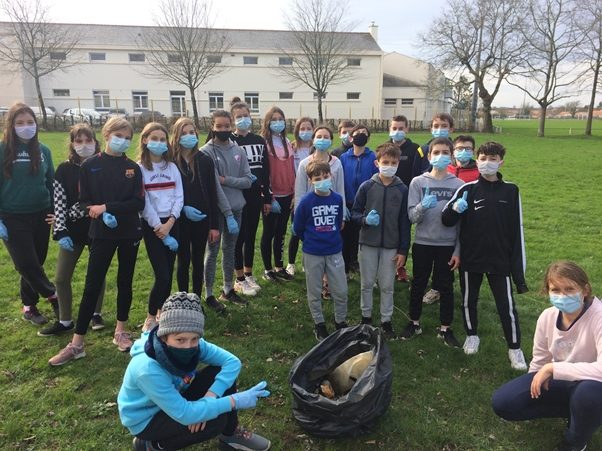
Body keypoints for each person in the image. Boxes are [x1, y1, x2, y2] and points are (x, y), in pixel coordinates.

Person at [118, 291, 271, 451]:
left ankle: (231, 435)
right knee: (215, 421)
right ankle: (151, 445)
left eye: (194, 339)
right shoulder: (147, 368)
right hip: (148, 418)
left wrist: (210, 396)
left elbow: (232, 362)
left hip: (176, 396)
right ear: (164, 337)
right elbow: (186, 414)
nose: (188, 346)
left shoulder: (195, 344)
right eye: (180, 340)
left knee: (218, 373)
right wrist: (234, 401)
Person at [49, 117, 144, 365]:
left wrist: (108, 207)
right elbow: (84, 200)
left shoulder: (133, 167)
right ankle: (77, 343)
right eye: (118, 135)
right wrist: (96, 209)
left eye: (127, 136)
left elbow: (138, 202)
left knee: (125, 281)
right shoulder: (89, 166)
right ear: (106, 134)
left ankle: (121, 332)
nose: (122, 140)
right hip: (101, 232)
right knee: (92, 284)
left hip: (129, 232)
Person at [492, 261, 602, 451]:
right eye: (555, 290)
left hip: (593, 386)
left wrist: (552, 368)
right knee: (503, 402)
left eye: (569, 289)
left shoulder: (598, 317)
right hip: (563, 382)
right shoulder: (547, 316)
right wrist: (533, 385)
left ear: (585, 290)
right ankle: (578, 413)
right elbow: (540, 358)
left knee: (587, 396)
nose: (562, 295)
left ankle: (575, 441)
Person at [442, 141, 528, 369]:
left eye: (492, 159)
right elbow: (446, 219)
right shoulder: (467, 189)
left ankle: (515, 348)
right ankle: (472, 335)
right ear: (477, 160)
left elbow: (516, 230)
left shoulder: (511, 190)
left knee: (506, 306)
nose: (487, 163)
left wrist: (518, 272)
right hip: (472, 258)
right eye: (483, 158)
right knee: (469, 300)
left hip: (500, 260)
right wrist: (455, 209)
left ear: (501, 161)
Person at [38, 123, 106, 336]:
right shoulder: (64, 169)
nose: (84, 145)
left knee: (97, 274)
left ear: (95, 142)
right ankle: (65, 320)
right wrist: (61, 229)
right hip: (72, 232)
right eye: (79, 141)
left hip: (99, 228)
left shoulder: (102, 166)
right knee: (60, 277)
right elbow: (58, 200)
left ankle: (96, 313)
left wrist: (71, 212)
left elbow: (100, 200)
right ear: (72, 143)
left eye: (88, 141)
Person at [0, 102, 58, 326]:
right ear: (11, 125)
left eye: (30, 122)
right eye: (20, 123)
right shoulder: (3, 149)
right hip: (12, 217)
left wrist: (55, 211)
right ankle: (54, 295)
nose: (26, 126)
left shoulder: (43, 151)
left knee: (37, 261)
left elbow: (51, 182)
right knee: (25, 263)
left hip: (42, 214)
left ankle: (29, 306)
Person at [401, 138, 463, 347]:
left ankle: (445, 328)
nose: (440, 156)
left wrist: (458, 250)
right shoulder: (418, 182)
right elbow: (412, 217)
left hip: (447, 245)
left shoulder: (458, 185)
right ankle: (414, 322)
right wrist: (422, 206)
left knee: (445, 287)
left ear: (451, 156)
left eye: (445, 152)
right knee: (418, 283)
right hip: (423, 242)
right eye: (436, 152)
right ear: (429, 156)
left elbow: (462, 224)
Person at [351, 142, 410, 339]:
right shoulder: (367, 187)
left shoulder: (402, 189)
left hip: (391, 246)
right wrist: (365, 220)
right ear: (377, 163)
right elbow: (354, 213)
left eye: (393, 162)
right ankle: (366, 318)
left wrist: (403, 250)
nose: (389, 166)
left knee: (387, 285)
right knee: (367, 283)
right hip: (367, 243)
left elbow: (405, 222)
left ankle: (386, 320)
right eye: (386, 162)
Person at [202, 110, 253, 309]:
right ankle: (208, 294)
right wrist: (227, 214)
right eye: (219, 126)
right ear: (212, 127)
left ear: (231, 126)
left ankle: (228, 289)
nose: (223, 130)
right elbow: (215, 187)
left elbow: (248, 180)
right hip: (217, 212)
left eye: (226, 126)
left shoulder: (238, 150)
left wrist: (227, 180)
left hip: (238, 208)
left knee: (230, 249)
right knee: (212, 252)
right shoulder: (206, 152)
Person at [293, 161, 347, 341]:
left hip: (334, 251)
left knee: (340, 290)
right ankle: (319, 323)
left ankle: (340, 321)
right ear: (311, 181)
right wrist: (310, 240)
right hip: (313, 252)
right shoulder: (306, 202)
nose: (323, 180)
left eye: (326, 177)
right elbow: (298, 227)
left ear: (331, 176)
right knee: (314, 290)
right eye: (318, 178)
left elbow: (339, 222)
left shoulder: (337, 199)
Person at [171, 118, 221, 312]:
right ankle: (183, 299)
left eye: (192, 132)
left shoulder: (204, 160)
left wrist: (214, 224)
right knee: (183, 260)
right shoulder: (171, 162)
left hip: (202, 218)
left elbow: (212, 193)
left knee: (198, 259)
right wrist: (182, 209)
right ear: (177, 136)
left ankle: (196, 300)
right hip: (179, 218)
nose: (189, 136)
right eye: (184, 133)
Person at [138, 122, 184, 332]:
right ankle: (150, 317)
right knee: (162, 274)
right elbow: (144, 202)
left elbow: (179, 196)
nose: (158, 143)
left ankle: (162, 313)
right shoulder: (139, 168)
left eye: (162, 139)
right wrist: (159, 228)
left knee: (169, 270)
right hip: (153, 227)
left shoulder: (172, 167)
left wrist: (171, 222)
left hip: (172, 223)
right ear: (145, 140)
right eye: (153, 138)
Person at [294, 125, 346, 298]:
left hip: (331, 211)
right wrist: (298, 216)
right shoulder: (304, 164)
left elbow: (340, 189)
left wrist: (342, 212)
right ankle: (317, 283)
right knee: (315, 250)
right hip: (311, 215)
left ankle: (328, 283)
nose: (322, 139)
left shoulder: (336, 162)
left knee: (331, 248)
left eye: (326, 136)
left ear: (331, 140)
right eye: (319, 136)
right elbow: (300, 191)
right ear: (314, 139)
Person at [231, 101, 271, 297]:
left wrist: (267, 197)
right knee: (238, 237)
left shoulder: (259, 140)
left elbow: (265, 169)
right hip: (237, 195)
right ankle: (238, 279)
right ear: (233, 120)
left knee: (250, 236)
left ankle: (248, 273)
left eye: (245, 115)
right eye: (238, 117)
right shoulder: (229, 141)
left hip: (255, 195)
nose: (243, 119)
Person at [389, 115, 429, 283]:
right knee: (390, 230)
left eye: (401, 128)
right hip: (389, 196)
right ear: (389, 130)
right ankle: (388, 265)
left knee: (404, 230)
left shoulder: (415, 149)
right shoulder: (385, 148)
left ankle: (401, 265)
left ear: (407, 129)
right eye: (394, 128)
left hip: (408, 196)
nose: (397, 131)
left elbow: (419, 173)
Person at [260, 106, 295, 282]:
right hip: (271, 197)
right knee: (269, 232)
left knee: (281, 232)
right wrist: (269, 196)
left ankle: (279, 266)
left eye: (280, 119)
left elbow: (292, 169)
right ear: (267, 122)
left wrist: (294, 192)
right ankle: (267, 269)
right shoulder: (264, 144)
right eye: (274, 119)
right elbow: (264, 173)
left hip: (288, 194)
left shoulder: (287, 142)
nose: (278, 122)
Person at [339, 125, 378, 276]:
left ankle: (358, 264)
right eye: (357, 133)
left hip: (365, 205)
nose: (360, 135)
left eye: (364, 133)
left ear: (368, 138)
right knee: (346, 238)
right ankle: (345, 269)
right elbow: (340, 181)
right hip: (348, 203)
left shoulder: (372, 157)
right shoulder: (344, 157)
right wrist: (342, 204)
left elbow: (375, 180)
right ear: (351, 137)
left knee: (360, 238)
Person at [286, 117, 314, 276]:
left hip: (314, 194)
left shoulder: (316, 148)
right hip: (296, 195)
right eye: (302, 129)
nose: (305, 132)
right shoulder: (292, 148)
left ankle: (306, 261)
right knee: (296, 230)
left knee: (310, 231)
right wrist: (293, 195)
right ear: (297, 131)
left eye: (308, 128)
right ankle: (290, 263)